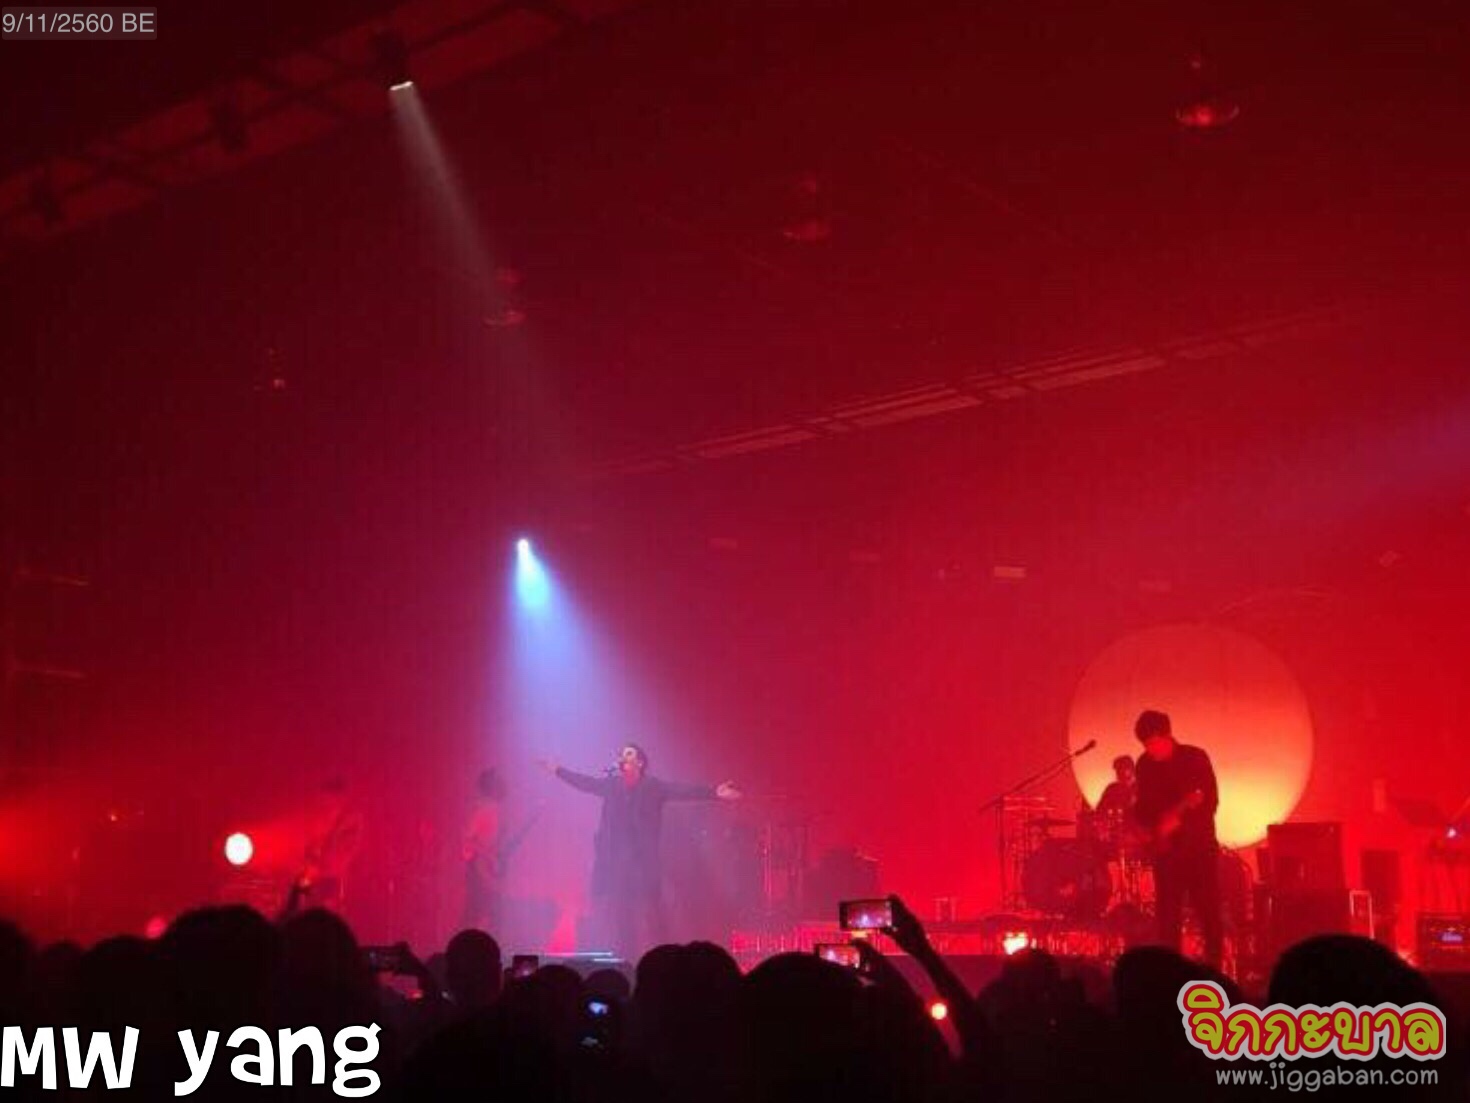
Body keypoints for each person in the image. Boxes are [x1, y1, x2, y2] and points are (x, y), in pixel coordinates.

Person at [539, 743, 740, 958]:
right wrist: (558, 770)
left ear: (640, 763)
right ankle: (626, 960)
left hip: (646, 864)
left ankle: (664, 958)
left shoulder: (653, 787)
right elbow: (585, 783)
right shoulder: (611, 785)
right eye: (621, 754)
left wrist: (714, 792)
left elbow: (681, 790)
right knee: (623, 918)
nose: (623, 757)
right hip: (619, 865)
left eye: (629, 753)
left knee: (654, 914)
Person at [1130, 709, 1222, 968]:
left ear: (1167, 735)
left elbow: (1209, 803)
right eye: (1145, 745)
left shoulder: (1195, 758)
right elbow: (1144, 806)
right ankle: (1170, 972)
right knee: (1168, 917)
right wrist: (1143, 828)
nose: (1150, 750)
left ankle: (1215, 970)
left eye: (1153, 743)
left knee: (1208, 912)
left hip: (1198, 850)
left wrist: (1178, 820)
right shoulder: (1144, 764)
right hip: (1166, 853)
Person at [462, 768, 505, 931]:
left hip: (485, 868)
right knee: (475, 912)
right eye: (497, 781)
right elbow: (467, 840)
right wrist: (487, 855)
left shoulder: (494, 810)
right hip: (478, 867)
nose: (502, 784)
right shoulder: (483, 810)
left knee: (487, 913)